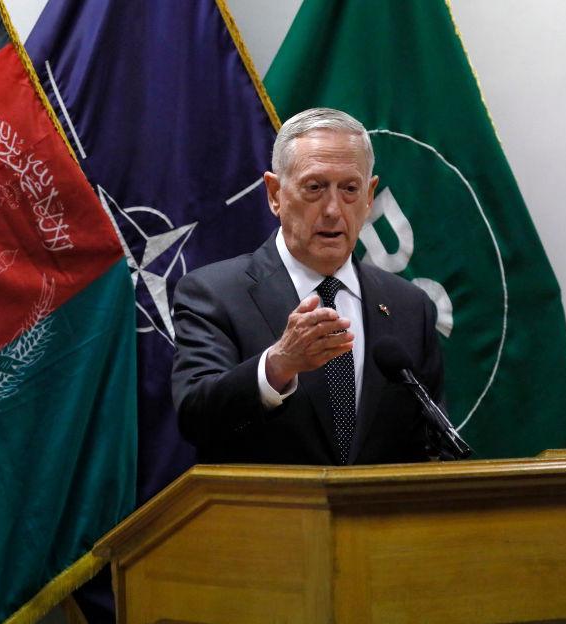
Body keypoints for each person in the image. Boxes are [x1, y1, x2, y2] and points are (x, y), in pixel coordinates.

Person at [171, 108, 443, 466]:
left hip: (378, 519)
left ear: (369, 196)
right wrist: (278, 365)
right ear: (275, 194)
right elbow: (195, 417)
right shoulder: (212, 294)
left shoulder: (410, 306)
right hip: (269, 518)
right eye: (315, 188)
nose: (332, 209)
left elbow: (428, 442)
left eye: (349, 189)